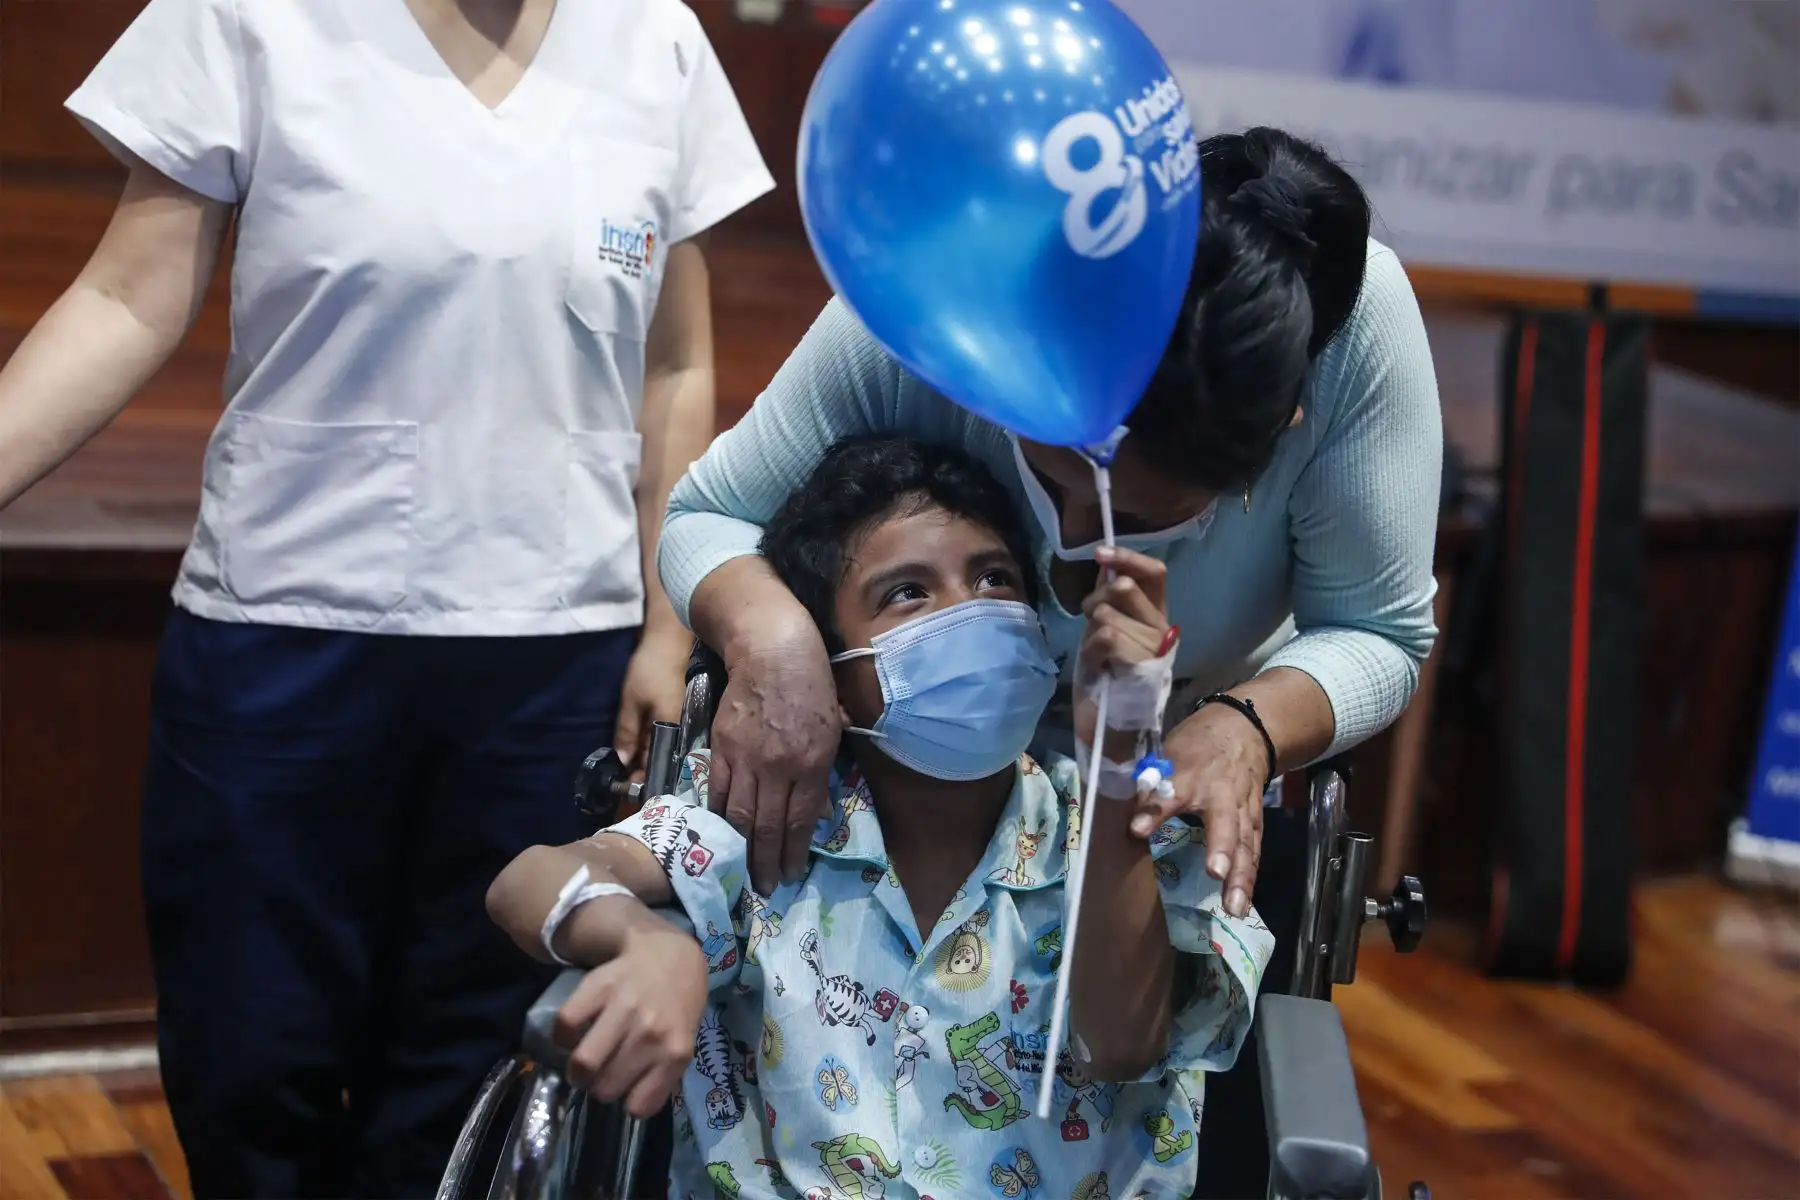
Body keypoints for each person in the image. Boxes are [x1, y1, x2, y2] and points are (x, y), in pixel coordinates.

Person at [0, 0, 772, 1194]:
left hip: (552, 660)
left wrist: (667, 623)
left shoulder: (657, 39)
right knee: (248, 1056)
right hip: (282, 638)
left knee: (468, 1073)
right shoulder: (250, 16)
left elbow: (675, 371)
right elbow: (126, 297)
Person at [660, 127, 1443, 921]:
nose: (1069, 540)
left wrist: (1248, 727)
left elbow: (1376, 631)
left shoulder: (1349, 334)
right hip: (885, 802)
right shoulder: (942, 295)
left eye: (1132, 517)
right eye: (1047, 470)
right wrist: (774, 643)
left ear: (1277, 442)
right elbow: (710, 515)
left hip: (1147, 811)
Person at [486, 436, 1274, 1198]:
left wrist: (1116, 764)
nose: (971, 615)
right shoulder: (768, 822)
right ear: (830, 671)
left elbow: (1123, 1046)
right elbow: (527, 882)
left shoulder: (1128, 828)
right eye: (908, 593)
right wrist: (645, 940)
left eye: (996, 579)